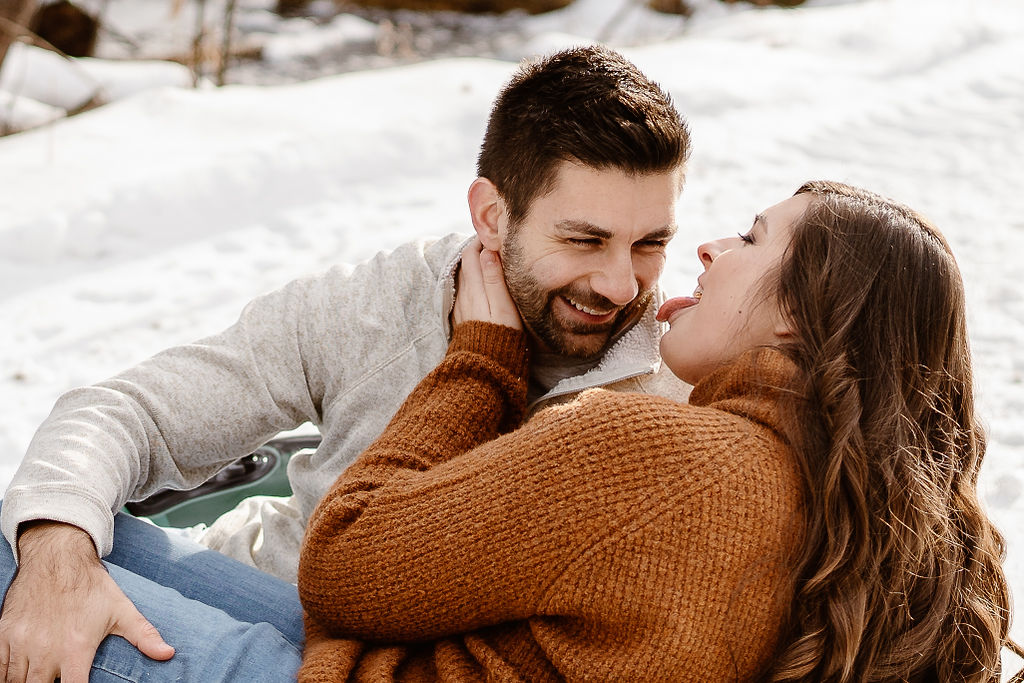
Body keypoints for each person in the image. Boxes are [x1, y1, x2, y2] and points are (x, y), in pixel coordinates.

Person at [0, 45, 692, 681]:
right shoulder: (381, 304)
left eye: (649, 243)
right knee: (30, 536)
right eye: (583, 239)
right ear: (491, 215)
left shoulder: (674, 388)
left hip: (369, 665)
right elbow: (131, 412)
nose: (620, 285)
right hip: (262, 584)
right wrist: (56, 554)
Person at [296, 181, 1010, 681]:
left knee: (175, 576)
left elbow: (339, 560)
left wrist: (480, 360)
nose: (708, 247)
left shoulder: (661, 458)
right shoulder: (863, 522)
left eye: (751, 238)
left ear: (798, 311)